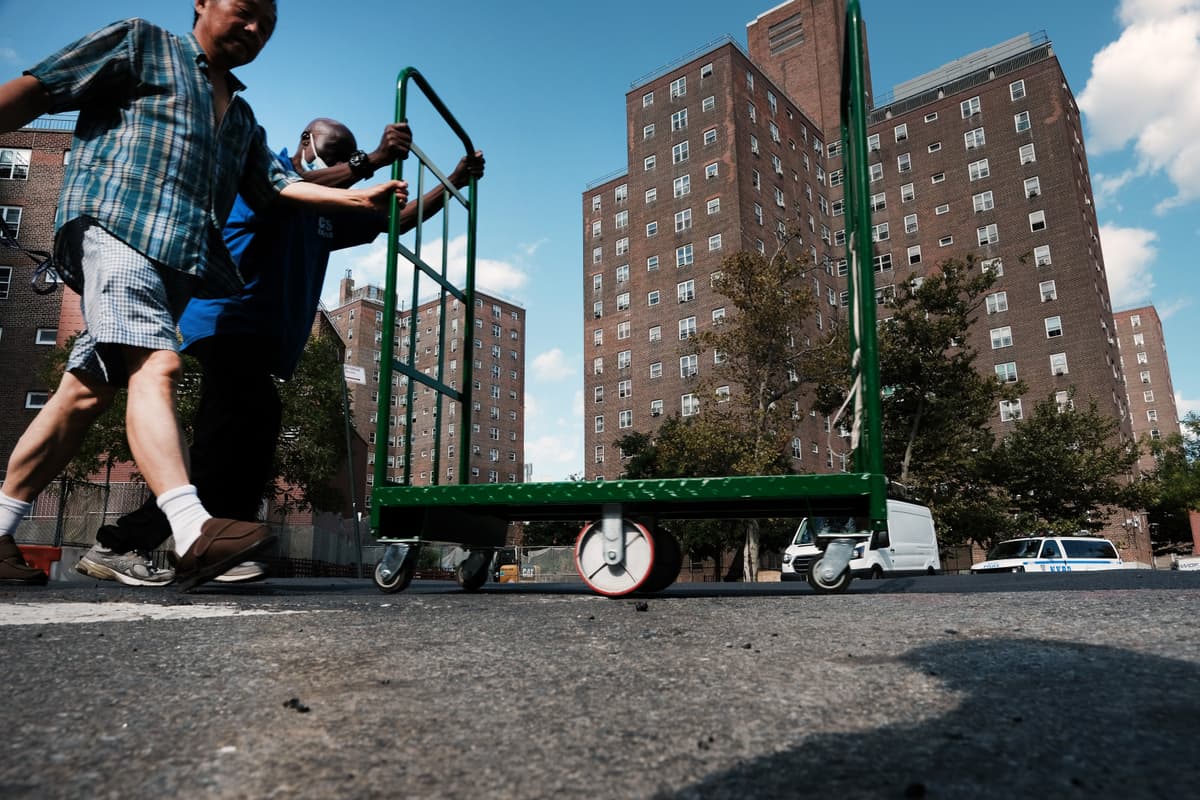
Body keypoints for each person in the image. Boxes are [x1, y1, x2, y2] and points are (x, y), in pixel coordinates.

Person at [0, 1, 409, 590]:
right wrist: (365, 167)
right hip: (115, 227)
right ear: (204, 3)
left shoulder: (241, 119)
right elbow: (39, 90)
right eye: (244, 12)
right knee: (156, 364)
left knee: (80, 396)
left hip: (174, 266)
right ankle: (193, 528)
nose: (253, 30)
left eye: (267, 26)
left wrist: (365, 195)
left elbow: (280, 189)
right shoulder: (142, 45)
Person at [75, 118, 485, 585]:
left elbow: (396, 220)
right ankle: (126, 542)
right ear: (306, 144)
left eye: (345, 162)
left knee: (244, 434)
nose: (341, 170)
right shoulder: (271, 175)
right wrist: (370, 159)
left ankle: (218, 541)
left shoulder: (327, 210)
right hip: (224, 317)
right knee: (235, 427)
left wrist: (453, 180)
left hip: (262, 335)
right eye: (332, 158)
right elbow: (289, 186)